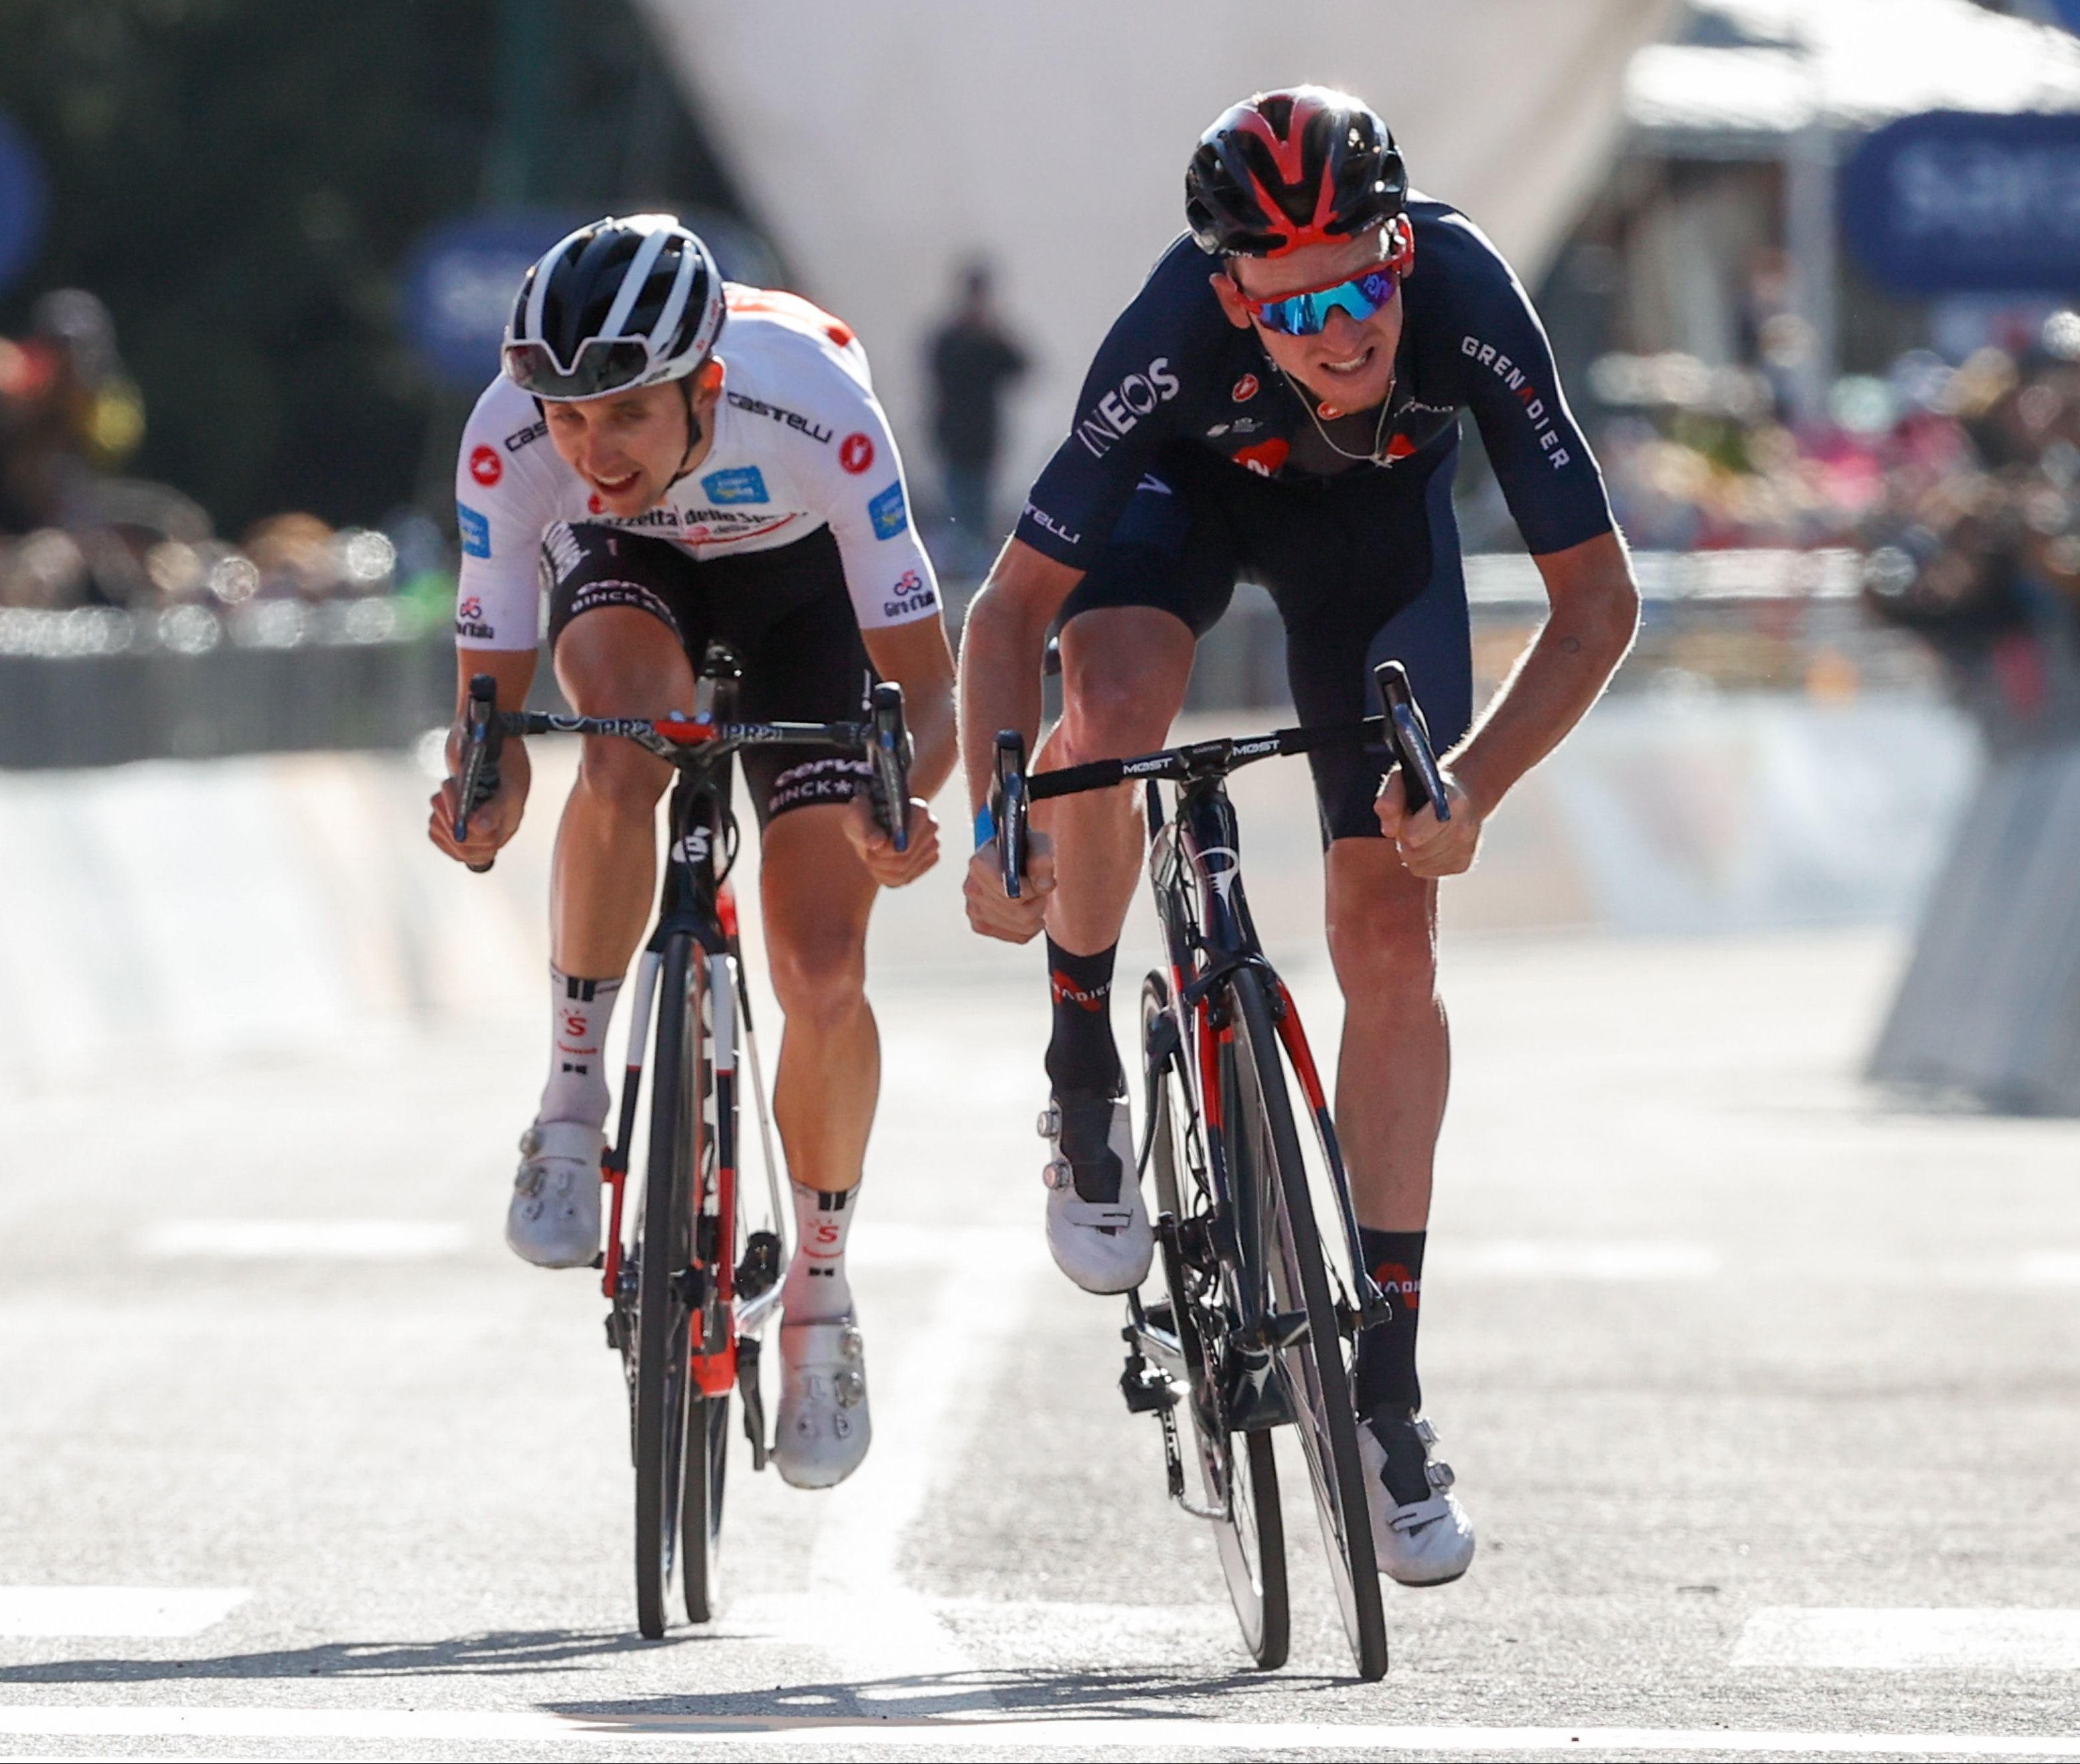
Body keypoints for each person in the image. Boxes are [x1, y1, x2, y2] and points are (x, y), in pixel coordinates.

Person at [957, 88, 1639, 1587]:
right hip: (1174, 512)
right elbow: (1006, 612)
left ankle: (1386, 1389)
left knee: (1390, 922)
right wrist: (1000, 816)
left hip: (1371, 548)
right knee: (1115, 701)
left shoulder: (1463, 299)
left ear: (1401, 249)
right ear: (1231, 299)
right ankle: (1082, 1068)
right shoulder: (1168, 336)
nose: (1343, 333)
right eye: (1297, 303)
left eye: (1364, 280)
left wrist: (1474, 783)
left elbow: (1598, 605)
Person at [426, 214, 957, 1492]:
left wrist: (899, 809)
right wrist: (480, 789)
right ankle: (569, 1103)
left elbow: (927, 693)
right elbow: (489, 694)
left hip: (805, 597)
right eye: (566, 419)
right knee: (620, 741)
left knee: (822, 966)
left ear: (704, 385)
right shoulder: (513, 438)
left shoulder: (814, 403)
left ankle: (822, 1300)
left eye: (622, 417)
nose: (590, 449)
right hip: (632, 583)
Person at [926, 262, 1028, 574]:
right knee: (960, 508)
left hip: (981, 437)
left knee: (978, 509)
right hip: (956, 436)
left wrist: (993, 334)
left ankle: (973, 569)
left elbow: (1021, 367)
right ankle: (964, 567)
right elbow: (940, 376)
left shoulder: (988, 338)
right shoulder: (950, 338)